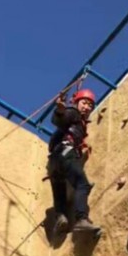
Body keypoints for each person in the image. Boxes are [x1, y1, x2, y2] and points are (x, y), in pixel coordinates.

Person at [47, 88, 102, 236]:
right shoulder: (73, 113)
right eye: (84, 103)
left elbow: (65, 127)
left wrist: (81, 144)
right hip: (65, 153)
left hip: (53, 162)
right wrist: (59, 110)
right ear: (76, 102)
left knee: (59, 194)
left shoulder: (79, 122)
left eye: (90, 105)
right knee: (82, 184)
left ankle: (60, 218)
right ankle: (81, 220)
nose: (87, 107)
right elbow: (60, 119)